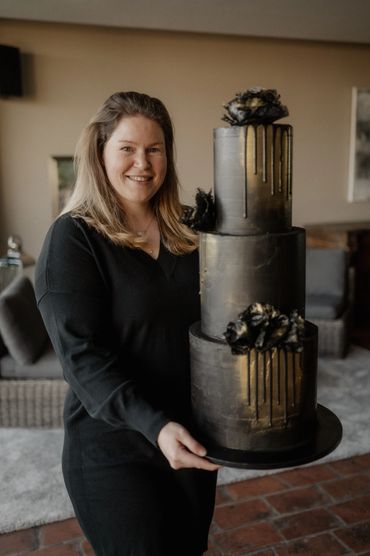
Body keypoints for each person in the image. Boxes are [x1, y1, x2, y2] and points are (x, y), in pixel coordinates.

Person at [35, 91, 219, 556]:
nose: (143, 162)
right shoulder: (74, 237)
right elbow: (82, 357)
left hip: (186, 436)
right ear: (100, 154)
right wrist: (154, 426)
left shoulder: (187, 231)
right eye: (127, 148)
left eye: (154, 149)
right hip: (112, 448)